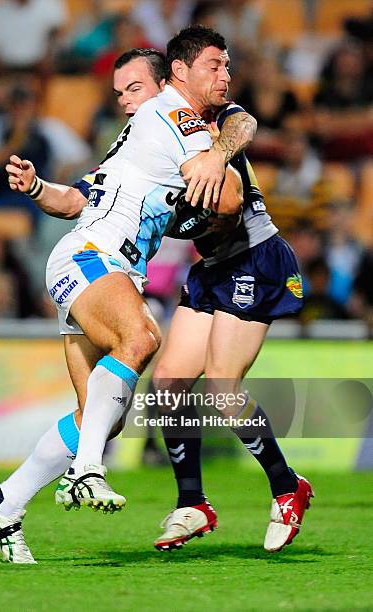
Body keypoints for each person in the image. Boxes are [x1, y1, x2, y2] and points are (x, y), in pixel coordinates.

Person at [0, 44, 254, 563]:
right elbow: (230, 199)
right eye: (119, 93)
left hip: (90, 264)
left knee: (97, 416)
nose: (126, 102)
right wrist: (217, 158)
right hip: (92, 259)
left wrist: (36, 188)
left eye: (133, 88)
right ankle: (86, 470)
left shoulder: (134, 142)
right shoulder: (166, 114)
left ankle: (3, 503)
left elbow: (76, 199)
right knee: (142, 338)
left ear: (164, 80)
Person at [151, 29, 313, 554]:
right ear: (180, 71)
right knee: (168, 384)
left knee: (222, 386)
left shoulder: (216, 120)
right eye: (215, 65)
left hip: (256, 257)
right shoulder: (156, 132)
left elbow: (245, 123)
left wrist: (217, 156)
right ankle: (192, 502)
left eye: (227, 66)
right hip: (212, 266)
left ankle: (288, 488)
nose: (226, 75)